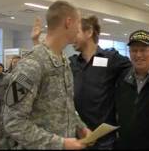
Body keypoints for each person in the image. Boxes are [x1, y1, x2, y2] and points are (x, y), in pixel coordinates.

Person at [31, 15, 132, 149]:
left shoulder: (111, 59)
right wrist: (36, 42)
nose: (72, 37)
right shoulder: (72, 62)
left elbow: (137, 69)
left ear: (89, 32)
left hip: (104, 141)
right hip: (76, 138)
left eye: (76, 32)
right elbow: (49, 68)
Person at [3, 0, 90, 150]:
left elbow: (67, 107)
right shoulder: (31, 65)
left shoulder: (63, 62)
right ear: (68, 22)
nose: (79, 29)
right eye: (78, 23)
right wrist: (60, 144)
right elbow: (13, 122)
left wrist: (80, 127)